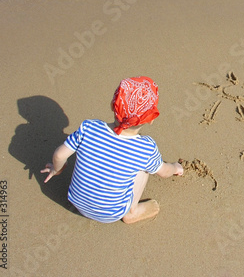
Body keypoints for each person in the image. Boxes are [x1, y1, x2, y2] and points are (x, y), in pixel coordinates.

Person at [41, 76, 183, 224]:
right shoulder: (145, 148)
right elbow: (164, 172)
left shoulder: (89, 128)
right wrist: (175, 167)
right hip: (112, 214)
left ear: (112, 104)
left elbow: (59, 155)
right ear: (151, 118)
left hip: (76, 201)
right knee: (144, 168)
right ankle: (132, 212)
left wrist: (56, 170)